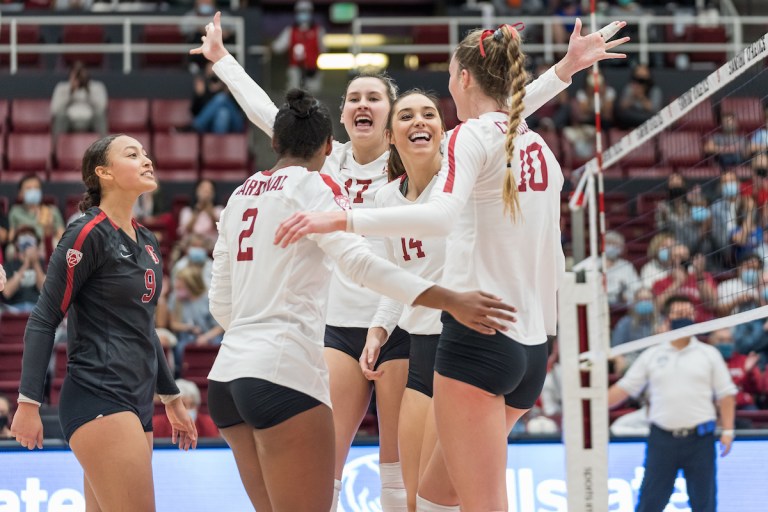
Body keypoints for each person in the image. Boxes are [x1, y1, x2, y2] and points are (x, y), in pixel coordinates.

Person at [193, 13, 628, 510]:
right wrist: (224, 61)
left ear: (390, 117)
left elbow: (497, 125)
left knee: (404, 475)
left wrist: (562, 72)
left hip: (415, 320)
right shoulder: (325, 160)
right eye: (353, 97)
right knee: (337, 466)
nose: (363, 104)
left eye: (374, 98)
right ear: (341, 116)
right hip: (348, 324)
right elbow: (268, 115)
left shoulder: (434, 160)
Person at [205, 88, 517, 511]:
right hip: (283, 369)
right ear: (329, 147)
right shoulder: (317, 189)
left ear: (274, 142)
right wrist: (450, 299)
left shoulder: (240, 195)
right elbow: (362, 265)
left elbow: (220, 303)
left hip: (227, 378)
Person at [10, 134, 197, 511]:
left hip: (138, 402)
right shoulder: (85, 233)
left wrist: (172, 397)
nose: (146, 159)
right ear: (104, 173)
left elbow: (143, 328)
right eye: (133, 154)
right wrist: (28, 403)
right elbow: (45, 318)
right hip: (98, 394)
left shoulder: (147, 241)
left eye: (145, 153)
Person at [607, 296, 736, 512]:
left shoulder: (709, 354)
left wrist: (729, 431)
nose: (684, 317)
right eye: (678, 313)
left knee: (704, 504)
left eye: (687, 313)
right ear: (668, 318)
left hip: (700, 440)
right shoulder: (653, 354)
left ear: (694, 317)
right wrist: (590, 405)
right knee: (650, 503)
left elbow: (727, 395)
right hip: (662, 440)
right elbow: (625, 388)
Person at [271, 0, 325, 93]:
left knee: (313, 95)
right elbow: (277, 47)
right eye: (301, 11)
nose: (303, 14)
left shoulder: (318, 31)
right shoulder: (290, 31)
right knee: (294, 93)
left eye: (306, 11)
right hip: (294, 69)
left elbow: (323, 49)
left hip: (312, 70)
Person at [50, 60, 108, 142]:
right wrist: (71, 92)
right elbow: (54, 110)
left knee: (100, 115)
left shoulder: (97, 87)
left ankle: (103, 151)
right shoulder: (62, 87)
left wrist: (88, 90)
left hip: (90, 120)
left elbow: (102, 108)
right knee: (60, 116)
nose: (79, 77)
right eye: (76, 73)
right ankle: (55, 152)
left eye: (81, 73)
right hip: (69, 120)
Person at [7, 174, 65, 253]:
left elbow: (62, 236)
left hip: (44, 246)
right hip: (23, 245)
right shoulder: (15, 211)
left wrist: (49, 230)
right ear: (20, 193)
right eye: (29, 188)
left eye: (36, 188)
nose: (33, 191)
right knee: (10, 249)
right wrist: (20, 232)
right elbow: (10, 237)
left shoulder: (51, 210)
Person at [153, 379, 219, 438]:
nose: (188, 410)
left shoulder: (208, 424)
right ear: (172, 407)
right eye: (183, 405)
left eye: (192, 405)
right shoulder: (156, 425)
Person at [1, 226, 47, 313]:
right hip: (14, 309)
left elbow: (45, 291)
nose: (27, 239)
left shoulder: (41, 264)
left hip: (37, 309)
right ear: (16, 243)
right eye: (23, 236)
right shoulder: (9, 265)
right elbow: (6, 292)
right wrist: (25, 265)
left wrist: (35, 263)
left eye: (30, 236)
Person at [190, 62, 244, 134]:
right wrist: (199, 96)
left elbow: (239, 109)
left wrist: (227, 90)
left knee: (221, 98)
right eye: (210, 74)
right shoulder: (203, 89)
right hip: (211, 125)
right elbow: (194, 112)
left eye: (215, 73)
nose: (213, 77)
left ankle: (196, 126)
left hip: (234, 123)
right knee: (223, 113)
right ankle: (220, 143)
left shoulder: (227, 85)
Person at [177, 178, 222, 250]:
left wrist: (210, 211)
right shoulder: (187, 211)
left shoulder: (219, 210)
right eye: (203, 189)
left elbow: (220, 230)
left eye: (210, 189)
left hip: (211, 247)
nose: (206, 192)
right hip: (190, 247)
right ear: (196, 191)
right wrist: (197, 211)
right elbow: (185, 231)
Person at [615, 63, 663, 129]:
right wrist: (633, 96)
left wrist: (641, 97)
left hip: (647, 120)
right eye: (638, 78)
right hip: (630, 118)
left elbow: (654, 109)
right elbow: (622, 106)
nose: (640, 81)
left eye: (643, 79)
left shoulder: (655, 90)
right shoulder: (630, 87)